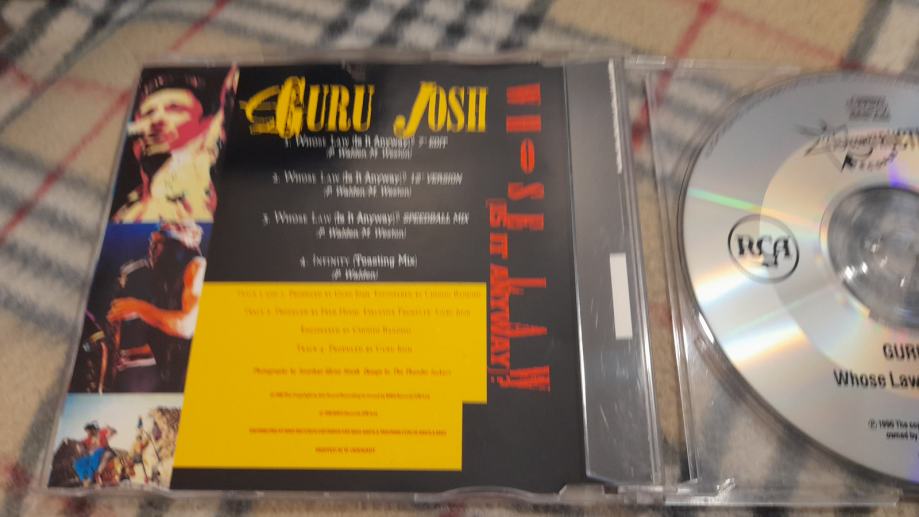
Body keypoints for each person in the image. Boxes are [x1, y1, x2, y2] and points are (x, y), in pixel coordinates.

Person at [112, 67, 236, 223]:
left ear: (206, 122)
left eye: (174, 108)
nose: (156, 119)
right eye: (148, 113)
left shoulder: (216, 189)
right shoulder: (126, 211)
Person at [107, 222, 206, 392]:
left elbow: (186, 327)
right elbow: (172, 345)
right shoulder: (168, 280)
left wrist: (137, 307)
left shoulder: (197, 266)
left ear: (190, 239)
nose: (153, 249)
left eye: (161, 241)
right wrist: (130, 356)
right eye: (152, 242)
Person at [73, 422, 117, 488]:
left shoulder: (101, 432)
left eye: (90, 431)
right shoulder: (87, 439)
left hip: (102, 451)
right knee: (78, 463)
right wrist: (80, 447)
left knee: (99, 457)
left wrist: (108, 427)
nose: (88, 433)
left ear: (93, 429)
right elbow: (80, 445)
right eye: (87, 432)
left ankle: (93, 477)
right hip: (92, 455)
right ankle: (84, 479)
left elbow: (114, 432)